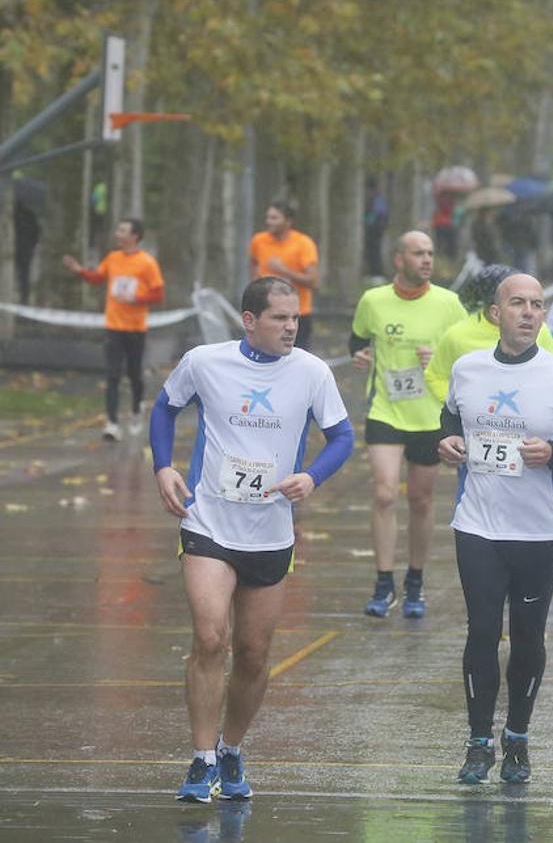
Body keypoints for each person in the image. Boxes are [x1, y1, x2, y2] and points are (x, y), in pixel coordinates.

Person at [151, 276, 353, 802]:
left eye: (296, 319)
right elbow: (164, 407)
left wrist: (312, 477)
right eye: (280, 318)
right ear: (249, 320)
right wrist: (162, 467)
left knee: (253, 652)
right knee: (210, 636)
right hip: (208, 525)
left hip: (270, 532)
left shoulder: (310, 372)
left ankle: (231, 747)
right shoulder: (204, 362)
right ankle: (200, 760)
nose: (291, 327)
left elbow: (342, 436)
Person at [439, 273, 553, 785]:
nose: (529, 313)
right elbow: (448, 425)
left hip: (538, 531)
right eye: (518, 304)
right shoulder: (467, 370)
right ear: (495, 314)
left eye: (537, 305)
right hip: (478, 524)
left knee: (527, 637)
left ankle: (518, 739)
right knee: (482, 631)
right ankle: (478, 740)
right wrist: (447, 445)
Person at [350, 231, 467, 619]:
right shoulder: (374, 301)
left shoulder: (450, 304)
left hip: (429, 415)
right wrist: (361, 356)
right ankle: (384, 582)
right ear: (399, 259)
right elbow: (358, 340)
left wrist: (440, 359)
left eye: (431, 253)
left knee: (420, 499)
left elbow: (468, 355)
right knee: (384, 493)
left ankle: (415, 580)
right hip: (385, 409)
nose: (427, 260)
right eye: (419, 253)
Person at [63, 217, 165, 441]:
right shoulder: (112, 258)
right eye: (118, 229)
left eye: (122, 230)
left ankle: (137, 409)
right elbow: (98, 277)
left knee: (135, 374)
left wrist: (136, 297)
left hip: (136, 328)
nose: (117, 234)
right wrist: (79, 270)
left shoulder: (147, 263)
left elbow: (158, 294)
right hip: (113, 326)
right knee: (112, 375)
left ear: (135, 236)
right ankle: (112, 423)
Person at [424, 264, 553, 404]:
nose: (527, 312)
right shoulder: (457, 336)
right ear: (495, 311)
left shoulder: (539, 331)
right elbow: (435, 376)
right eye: (517, 302)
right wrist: (462, 404)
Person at [248, 201, 319, 350]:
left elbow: (313, 281)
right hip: (265, 312)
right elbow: (253, 262)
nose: (268, 222)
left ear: (288, 221)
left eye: (274, 218)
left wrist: (284, 271)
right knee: (264, 355)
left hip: (296, 314)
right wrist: (256, 282)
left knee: (295, 359)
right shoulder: (259, 240)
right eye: (268, 217)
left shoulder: (303, 243)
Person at [363, 177, 390, 282]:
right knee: (373, 250)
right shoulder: (379, 197)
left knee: (375, 251)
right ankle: (373, 273)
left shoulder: (375, 198)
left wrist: (368, 222)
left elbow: (376, 215)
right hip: (378, 227)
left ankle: (377, 273)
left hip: (375, 228)